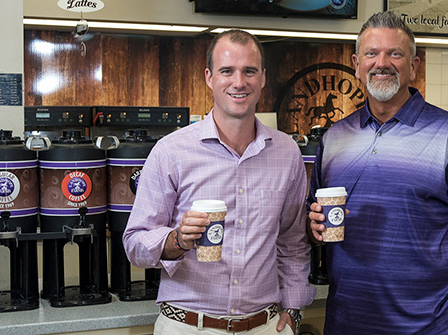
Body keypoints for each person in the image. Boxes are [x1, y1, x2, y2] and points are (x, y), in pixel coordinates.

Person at [307, 11, 448, 335]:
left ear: (413, 65)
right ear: (356, 64)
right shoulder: (335, 138)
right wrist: (313, 226)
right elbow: (316, 226)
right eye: (371, 53)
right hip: (347, 324)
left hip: (432, 326)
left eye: (394, 53)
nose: (382, 62)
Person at [124, 29, 315, 335]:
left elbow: (292, 243)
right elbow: (134, 243)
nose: (239, 82)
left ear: (263, 78)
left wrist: (293, 310)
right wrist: (178, 240)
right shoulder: (170, 151)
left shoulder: (287, 153)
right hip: (188, 326)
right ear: (210, 77)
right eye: (227, 71)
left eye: (249, 71)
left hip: (265, 326)